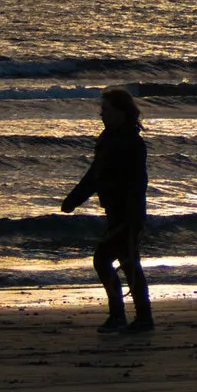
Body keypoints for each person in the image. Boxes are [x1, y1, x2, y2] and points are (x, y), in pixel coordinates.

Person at [61, 86, 152, 333]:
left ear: (121, 112)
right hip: (115, 212)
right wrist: (74, 199)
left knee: (104, 260)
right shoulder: (109, 138)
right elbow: (95, 176)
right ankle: (139, 318)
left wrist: (131, 216)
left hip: (127, 214)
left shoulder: (132, 142)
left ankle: (124, 317)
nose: (101, 114)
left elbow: (138, 182)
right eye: (102, 110)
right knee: (128, 263)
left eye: (106, 110)